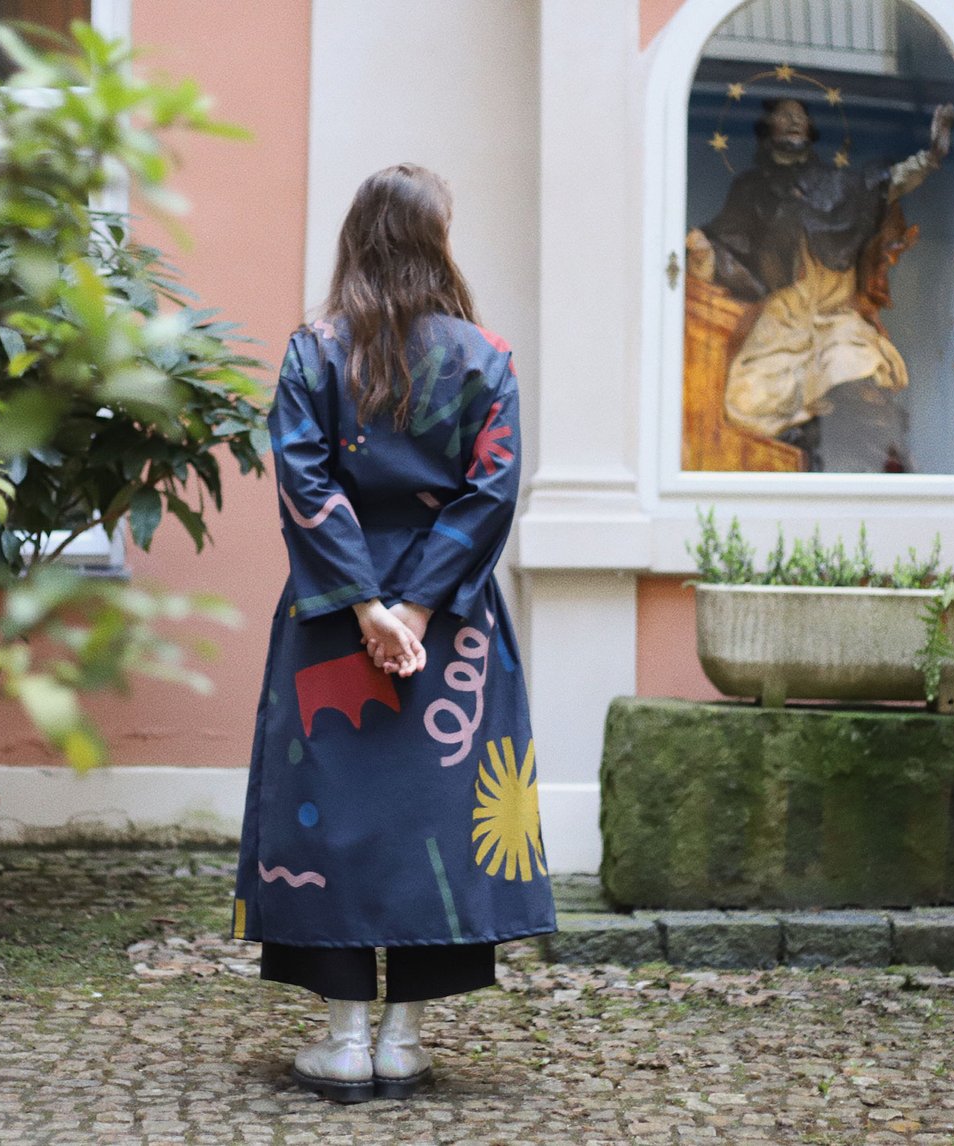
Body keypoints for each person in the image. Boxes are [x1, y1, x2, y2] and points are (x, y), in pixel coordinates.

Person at [232, 164, 556, 1104]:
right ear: (436, 240)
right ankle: (404, 1040)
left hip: (333, 624)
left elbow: (303, 481)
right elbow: (492, 490)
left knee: (326, 813)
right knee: (437, 819)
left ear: (356, 239)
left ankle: (341, 1042)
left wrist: (367, 606)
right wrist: (415, 607)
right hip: (450, 627)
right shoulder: (486, 357)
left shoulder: (312, 353)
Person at [686, 97, 953, 472]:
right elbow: (726, 245)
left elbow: (887, 185)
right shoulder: (750, 191)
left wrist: (930, 158)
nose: (794, 120)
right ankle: (802, 445)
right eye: (784, 115)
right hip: (783, 317)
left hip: (834, 312)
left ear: (812, 131)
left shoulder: (837, 184)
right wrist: (701, 254)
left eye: (801, 116)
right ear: (767, 131)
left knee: (853, 370)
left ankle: (881, 466)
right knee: (746, 398)